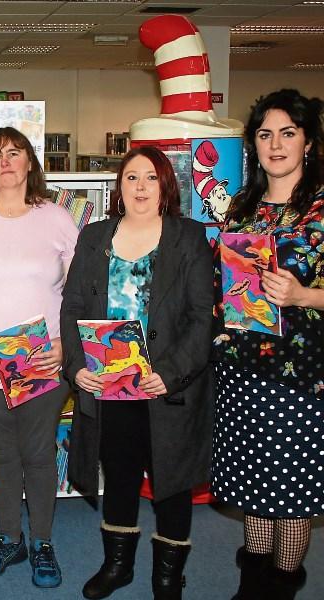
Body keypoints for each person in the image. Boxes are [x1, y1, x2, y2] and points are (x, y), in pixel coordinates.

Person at [60, 146, 214, 600]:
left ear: (166, 185)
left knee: (171, 481)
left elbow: (201, 319)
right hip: (109, 385)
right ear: (119, 187)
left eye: (151, 177)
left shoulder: (189, 237)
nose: (141, 187)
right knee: (121, 473)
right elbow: (70, 309)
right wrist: (76, 367)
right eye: (131, 178)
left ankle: (167, 576)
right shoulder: (94, 237)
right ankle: (117, 565)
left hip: (167, 386)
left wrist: (169, 373)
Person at [210, 89, 324, 600]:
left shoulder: (320, 208)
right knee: (254, 483)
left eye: (287, 133)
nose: (275, 144)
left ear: (308, 141)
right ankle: (251, 583)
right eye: (264, 134)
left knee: (291, 490)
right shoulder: (243, 204)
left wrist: (304, 294)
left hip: (298, 372)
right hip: (241, 366)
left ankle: (279, 589)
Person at [0, 126, 76, 588]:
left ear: (29, 162)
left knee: (39, 455)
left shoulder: (56, 217)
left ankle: (42, 543)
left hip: (40, 359)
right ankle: (9, 538)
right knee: (0, 454)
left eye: (15, 153)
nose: (5, 161)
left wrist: (70, 345)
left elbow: (83, 289)